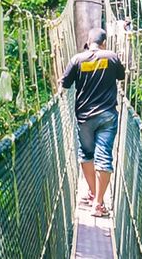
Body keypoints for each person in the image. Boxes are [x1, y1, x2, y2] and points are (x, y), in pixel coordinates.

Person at [60, 26, 125, 218]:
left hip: (84, 117)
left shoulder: (77, 59)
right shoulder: (111, 56)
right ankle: (98, 203)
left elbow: (64, 84)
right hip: (107, 115)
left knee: (86, 154)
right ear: (104, 42)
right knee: (104, 156)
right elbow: (121, 76)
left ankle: (94, 194)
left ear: (88, 43)